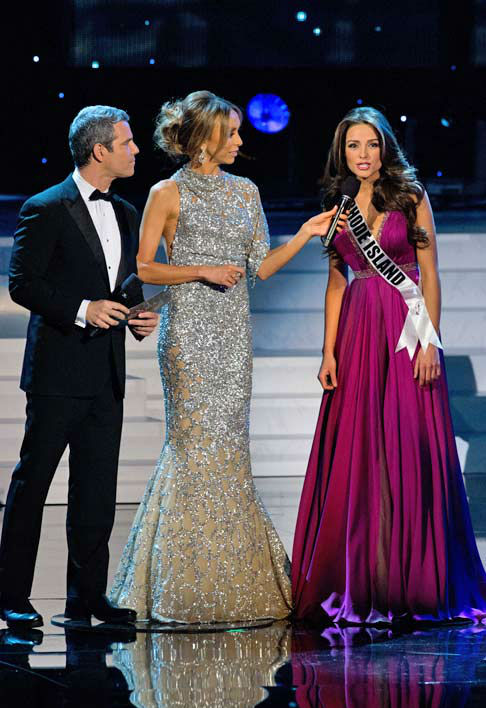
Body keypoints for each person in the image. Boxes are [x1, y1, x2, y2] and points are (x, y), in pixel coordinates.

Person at [110, 90, 344, 623]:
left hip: (234, 339)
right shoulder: (166, 192)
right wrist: (202, 271)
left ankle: (234, 579)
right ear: (206, 137)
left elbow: (259, 267)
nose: (241, 141)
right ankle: (179, 582)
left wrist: (306, 233)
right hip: (190, 339)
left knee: (230, 452)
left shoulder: (246, 192)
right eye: (232, 133)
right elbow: (145, 267)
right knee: (192, 448)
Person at [292, 106, 486, 625]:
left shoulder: (410, 196)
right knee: (362, 449)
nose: (362, 155)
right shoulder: (336, 208)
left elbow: (430, 274)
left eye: (371, 145)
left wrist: (430, 344)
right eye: (353, 146)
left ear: (385, 148)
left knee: (408, 443)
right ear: (342, 152)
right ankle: (365, 574)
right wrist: (328, 350)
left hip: (406, 330)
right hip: (358, 332)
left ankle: (415, 578)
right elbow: (336, 283)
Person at [0, 106, 159, 630]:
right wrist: (83, 309)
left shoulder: (127, 212)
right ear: (100, 151)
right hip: (56, 375)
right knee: (34, 483)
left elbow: (123, 282)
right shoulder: (45, 208)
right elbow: (23, 283)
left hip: (106, 372)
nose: (136, 150)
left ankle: (87, 598)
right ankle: (11, 597)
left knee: (96, 488)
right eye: (128, 142)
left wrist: (135, 314)